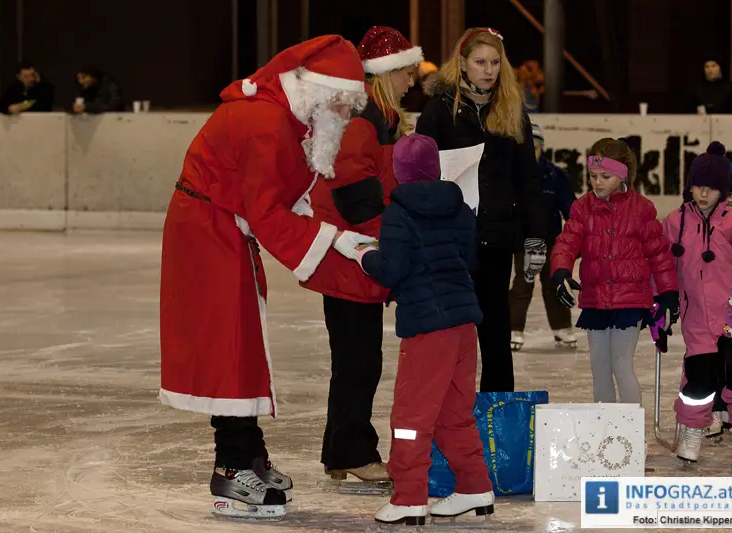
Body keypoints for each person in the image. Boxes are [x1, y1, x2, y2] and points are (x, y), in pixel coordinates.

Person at [160, 35, 372, 520]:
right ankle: (232, 467)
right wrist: (338, 241)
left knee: (242, 342)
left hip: (221, 226)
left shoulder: (284, 116)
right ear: (317, 91)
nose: (344, 112)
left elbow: (275, 197)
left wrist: (333, 236)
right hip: (209, 232)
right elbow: (268, 212)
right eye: (340, 101)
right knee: (230, 346)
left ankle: (248, 452)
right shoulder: (265, 124)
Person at [344, 133, 493, 525]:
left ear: (399, 171)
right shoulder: (460, 208)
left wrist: (365, 256)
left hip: (428, 328)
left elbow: (391, 269)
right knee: (453, 413)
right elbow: (468, 260)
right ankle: (475, 486)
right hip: (463, 323)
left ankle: (410, 496)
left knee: (411, 417)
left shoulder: (399, 211)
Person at [301, 26, 422, 485]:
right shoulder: (364, 117)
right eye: (407, 74)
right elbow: (356, 193)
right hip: (353, 254)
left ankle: (339, 451)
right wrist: (389, 244)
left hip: (355, 252)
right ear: (386, 74)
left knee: (354, 355)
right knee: (359, 357)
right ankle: (353, 451)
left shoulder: (377, 117)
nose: (413, 82)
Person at [415, 27, 548, 392]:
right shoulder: (438, 111)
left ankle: (498, 420)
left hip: (495, 239)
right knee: (451, 338)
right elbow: (419, 177)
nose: (488, 70)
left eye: (494, 62)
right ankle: (449, 418)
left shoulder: (511, 110)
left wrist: (536, 235)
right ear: (462, 64)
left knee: (495, 335)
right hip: (450, 243)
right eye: (479, 62)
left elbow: (528, 178)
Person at [550, 138, 679, 405]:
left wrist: (668, 293)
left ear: (622, 175)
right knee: (599, 369)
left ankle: (630, 433)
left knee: (621, 365)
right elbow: (567, 241)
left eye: (605, 176)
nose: (597, 183)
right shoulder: (582, 207)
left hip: (629, 300)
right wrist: (561, 271)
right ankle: (605, 431)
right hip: (596, 298)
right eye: (593, 176)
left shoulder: (641, 209)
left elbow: (659, 254)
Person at [662, 141, 732, 463]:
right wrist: (662, 299)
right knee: (698, 377)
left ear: (723, 190)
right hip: (696, 315)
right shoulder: (675, 222)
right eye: (697, 186)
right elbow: (662, 264)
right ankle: (693, 429)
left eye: (710, 188)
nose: (702, 194)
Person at [509, 123, 576, 351]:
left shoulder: (555, 175)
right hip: (524, 240)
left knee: (553, 283)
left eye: (535, 145)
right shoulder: (514, 175)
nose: (532, 150)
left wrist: (575, 234)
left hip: (551, 240)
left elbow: (570, 208)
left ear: (541, 147)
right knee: (523, 284)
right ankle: (513, 329)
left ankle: (562, 327)